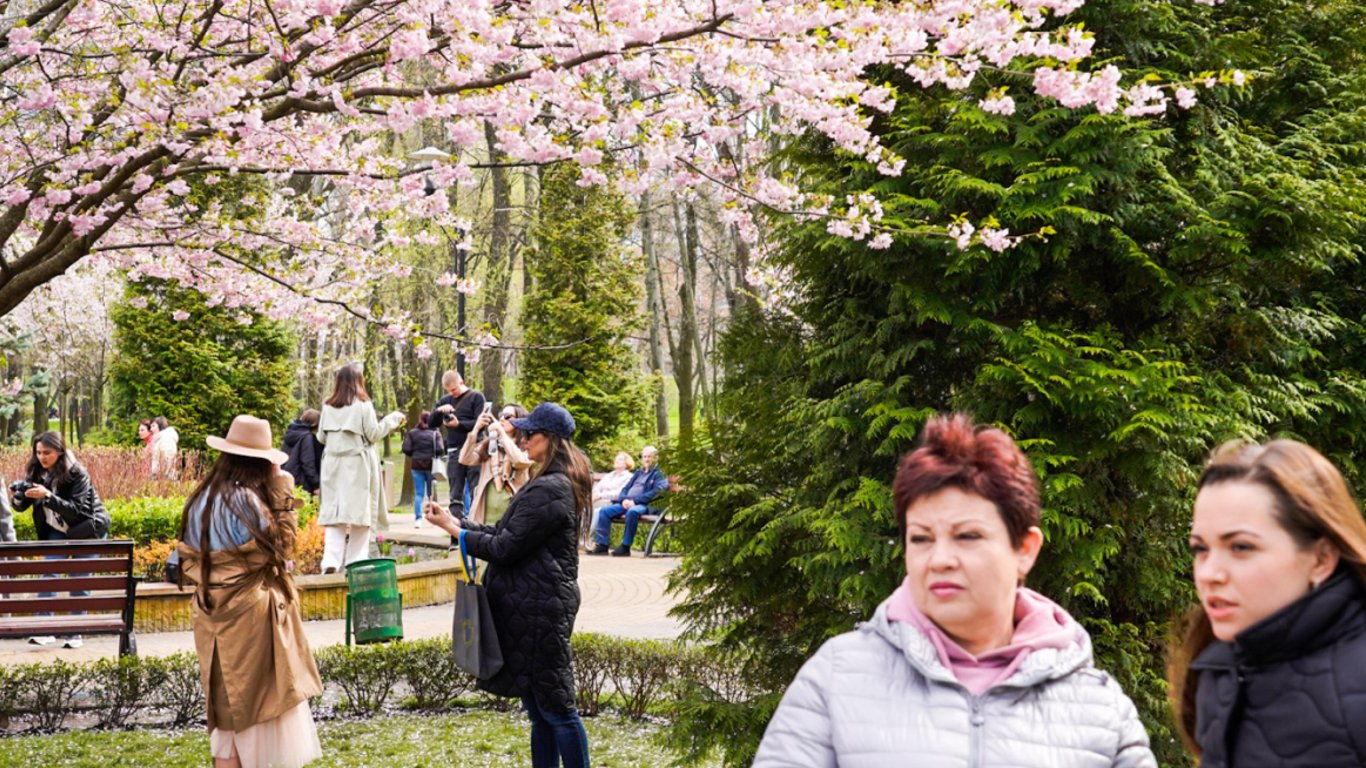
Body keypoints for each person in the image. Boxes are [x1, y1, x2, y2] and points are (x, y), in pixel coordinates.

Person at [753, 413, 1156, 767]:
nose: (940, 559)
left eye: (966, 536)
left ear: (1025, 550)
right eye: (922, 539)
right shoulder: (837, 678)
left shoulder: (1097, 707)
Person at [1168, 439, 1366, 767]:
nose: (1209, 574)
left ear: (1321, 559)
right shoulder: (1216, 671)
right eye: (1200, 549)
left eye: (1241, 547)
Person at [424, 402, 592, 768]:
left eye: (531, 433)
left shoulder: (551, 489)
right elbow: (504, 533)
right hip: (530, 607)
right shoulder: (544, 484)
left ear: (551, 440)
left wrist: (456, 532)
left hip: (540, 611)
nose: (523, 438)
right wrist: (456, 522)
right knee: (540, 710)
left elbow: (504, 547)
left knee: (558, 709)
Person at [176, 415, 323, 768]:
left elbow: (184, 557)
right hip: (251, 617)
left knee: (225, 706)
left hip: (209, 611)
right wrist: (283, 494)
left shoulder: (201, 498)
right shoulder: (248, 502)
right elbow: (283, 548)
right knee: (260, 707)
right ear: (260, 463)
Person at [11, 430, 111, 649]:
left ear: (59, 451)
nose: (41, 457)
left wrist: (47, 495)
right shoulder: (37, 471)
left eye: (47, 452)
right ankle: (45, 628)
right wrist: (19, 496)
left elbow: (76, 510)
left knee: (79, 578)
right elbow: (20, 507)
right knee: (49, 572)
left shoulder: (77, 473)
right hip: (57, 528)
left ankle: (75, 632)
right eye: (38, 452)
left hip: (86, 529)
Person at [317, 363, 405, 574]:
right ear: (359, 381)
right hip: (356, 464)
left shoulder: (327, 406)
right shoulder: (363, 405)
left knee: (334, 515)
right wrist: (393, 419)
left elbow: (321, 437)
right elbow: (373, 434)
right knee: (360, 516)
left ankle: (330, 560)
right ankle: (355, 563)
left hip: (331, 464)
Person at [459, 403, 532, 526]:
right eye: (501, 415)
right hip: (485, 513)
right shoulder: (490, 444)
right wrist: (476, 429)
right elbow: (465, 459)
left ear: (520, 420)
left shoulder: (527, 445)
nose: (502, 418)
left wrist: (502, 434)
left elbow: (520, 461)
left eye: (508, 416)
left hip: (514, 514)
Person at [588, 446, 666, 557]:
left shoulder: (659, 473)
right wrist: (624, 499)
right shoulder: (639, 472)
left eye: (650, 456)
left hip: (646, 505)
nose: (647, 459)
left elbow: (657, 492)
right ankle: (602, 545)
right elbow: (626, 488)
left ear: (655, 458)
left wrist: (635, 501)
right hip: (628, 503)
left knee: (632, 512)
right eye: (645, 456)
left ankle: (625, 547)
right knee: (604, 512)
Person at [431, 369, 485, 518]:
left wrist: (459, 424)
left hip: (474, 448)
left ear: (461, 382)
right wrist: (438, 412)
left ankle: (476, 527)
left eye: (454, 390)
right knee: (455, 494)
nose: (452, 394)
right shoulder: (446, 400)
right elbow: (431, 423)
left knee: (476, 490)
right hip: (454, 451)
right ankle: (456, 532)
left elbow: (481, 423)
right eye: (449, 391)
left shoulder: (476, 397)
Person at [401, 411, 445, 527]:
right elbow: (440, 449)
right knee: (431, 493)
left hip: (416, 465)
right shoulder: (435, 433)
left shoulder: (412, 433)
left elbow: (406, 449)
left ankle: (418, 519)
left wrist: (414, 454)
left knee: (419, 493)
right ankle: (433, 517)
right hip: (432, 466)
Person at [587, 451, 634, 543]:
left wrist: (600, 496)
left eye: (620, 459)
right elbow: (597, 488)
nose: (617, 460)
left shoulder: (628, 477)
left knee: (597, 511)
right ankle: (579, 539)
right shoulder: (609, 475)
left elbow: (620, 493)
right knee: (584, 509)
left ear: (627, 463)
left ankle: (586, 539)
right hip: (599, 500)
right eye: (616, 458)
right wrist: (595, 495)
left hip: (613, 502)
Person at [281, 409, 324, 496]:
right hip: (301, 482)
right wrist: (316, 485)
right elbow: (308, 464)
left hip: (287, 477)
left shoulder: (291, 432)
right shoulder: (306, 437)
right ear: (315, 424)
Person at [149, 416, 181, 480]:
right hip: (160, 477)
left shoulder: (166, 439)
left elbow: (168, 461)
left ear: (160, 426)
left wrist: (160, 477)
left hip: (164, 479)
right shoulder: (160, 439)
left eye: (153, 426)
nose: (151, 429)